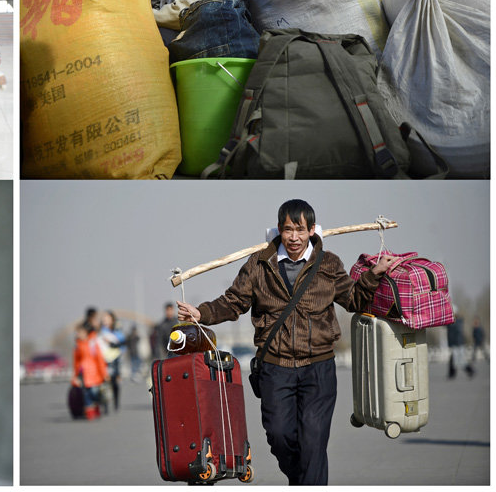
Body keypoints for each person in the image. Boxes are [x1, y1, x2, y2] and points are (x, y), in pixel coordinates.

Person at [175, 199, 395, 485]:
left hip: (318, 367)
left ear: (312, 230)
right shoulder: (258, 265)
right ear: (279, 230)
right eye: (288, 230)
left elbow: (353, 299)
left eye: (300, 230)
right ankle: (303, 481)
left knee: (314, 440)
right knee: (279, 435)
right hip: (274, 367)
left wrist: (372, 276)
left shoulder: (328, 264)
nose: (294, 237)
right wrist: (201, 312)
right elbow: (233, 302)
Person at [71, 322, 108, 420]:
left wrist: (104, 373)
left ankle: (96, 407)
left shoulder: (92, 343)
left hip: (95, 373)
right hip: (83, 374)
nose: (79, 335)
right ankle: (90, 413)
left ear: (86, 332)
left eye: (80, 332)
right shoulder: (77, 346)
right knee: (86, 394)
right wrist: (75, 376)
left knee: (94, 393)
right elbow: (76, 361)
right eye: (78, 333)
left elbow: (99, 358)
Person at [98, 310, 125, 412]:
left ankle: (116, 402)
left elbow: (122, 344)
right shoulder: (100, 331)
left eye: (107, 318)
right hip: (103, 360)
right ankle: (105, 405)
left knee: (115, 382)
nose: (105, 320)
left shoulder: (117, 331)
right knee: (104, 382)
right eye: (104, 318)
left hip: (115, 359)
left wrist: (112, 344)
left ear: (112, 320)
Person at [447, 313, 474, 378]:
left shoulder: (457, 323)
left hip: (457, 344)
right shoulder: (456, 323)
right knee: (455, 361)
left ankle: (470, 370)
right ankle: (452, 374)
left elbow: (453, 331)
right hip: (456, 344)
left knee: (458, 361)